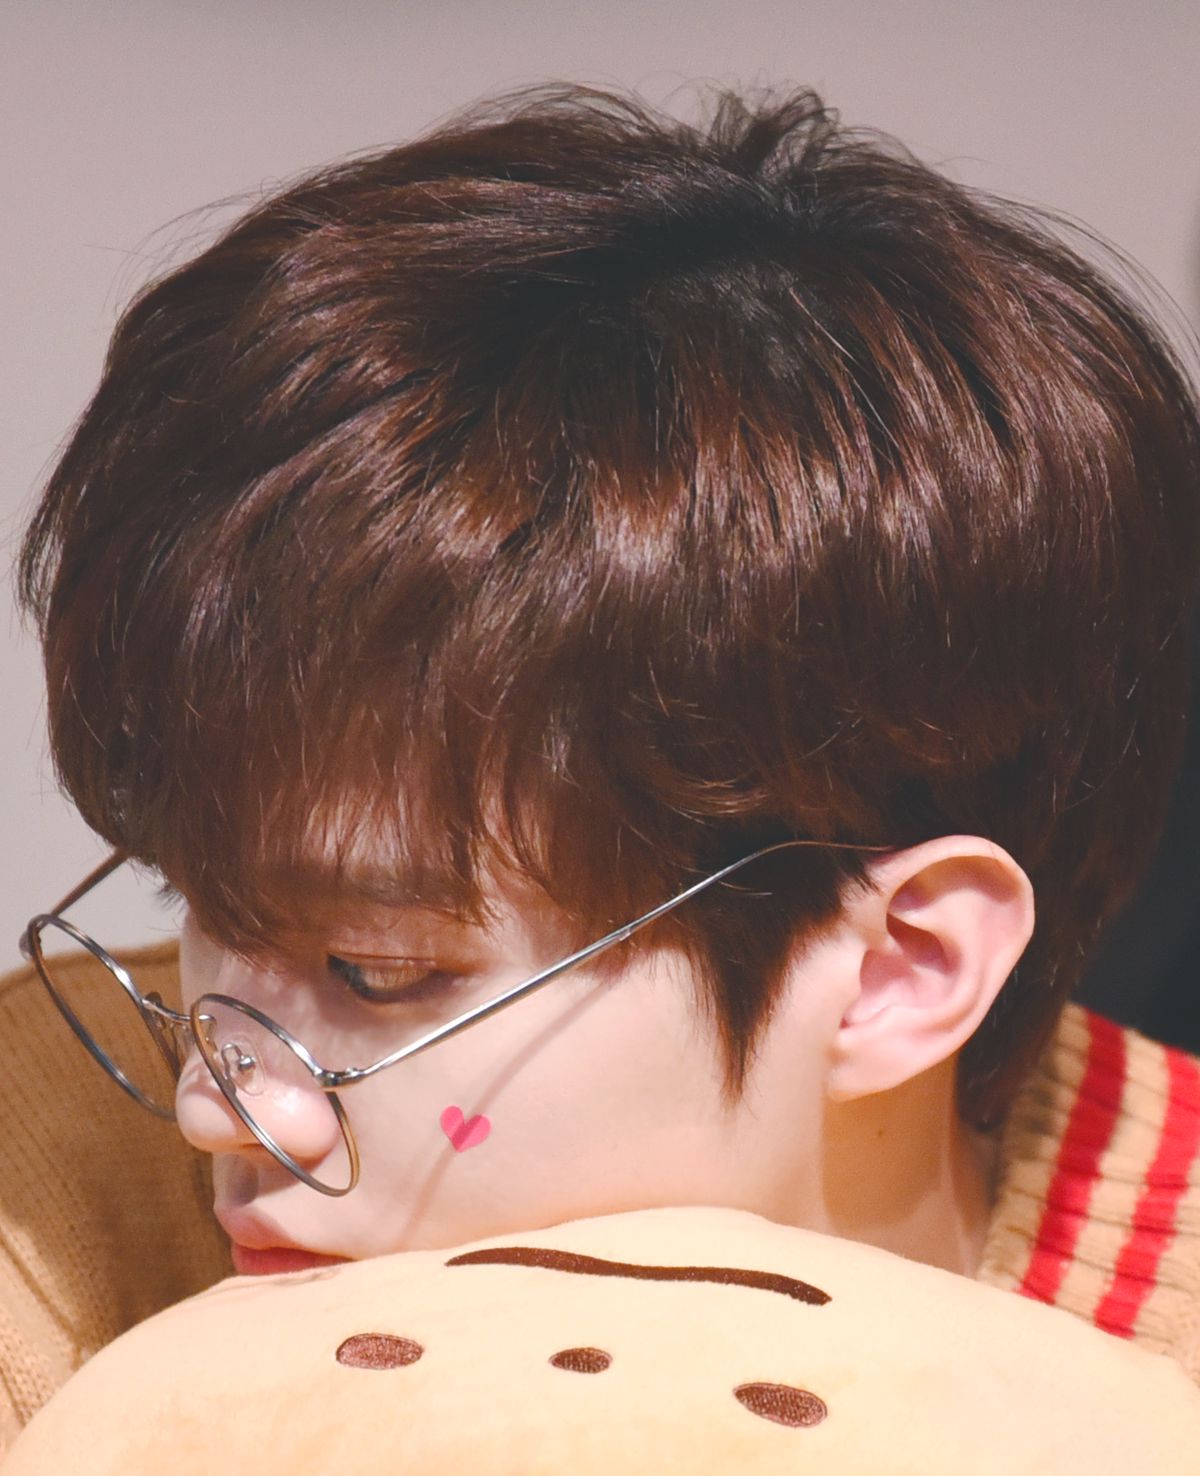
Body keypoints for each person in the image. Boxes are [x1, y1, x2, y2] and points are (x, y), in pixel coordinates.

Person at [13, 82, 1200, 1361]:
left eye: (380, 971)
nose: (217, 1110)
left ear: (899, 968)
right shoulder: (42, 1170)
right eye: (199, 904)